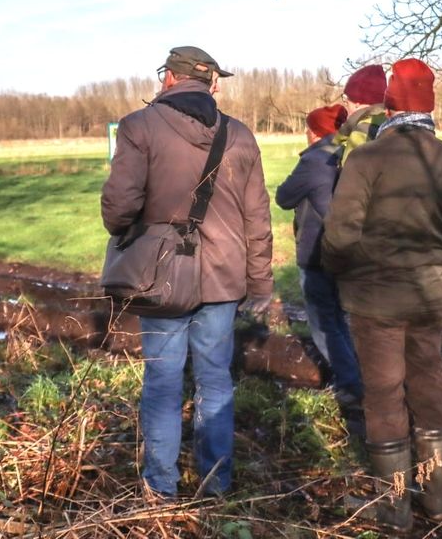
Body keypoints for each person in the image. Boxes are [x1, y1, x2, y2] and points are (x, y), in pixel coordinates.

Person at [100, 45, 274, 499]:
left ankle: (160, 487)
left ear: (168, 78)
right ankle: (217, 483)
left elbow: (118, 209)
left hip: (160, 278)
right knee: (215, 379)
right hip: (223, 277)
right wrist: (260, 283)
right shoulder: (240, 135)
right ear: (212, 83)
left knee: (162, 379)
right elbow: (258, 216)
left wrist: (134, 228)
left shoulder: (139, 127)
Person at [322, 58, 442, 526]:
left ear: (390, 106)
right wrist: (431, 261)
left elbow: (339, 235)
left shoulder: (367, 158)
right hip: (428, 294)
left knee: (385, 395)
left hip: (376, 299)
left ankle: (395, 508)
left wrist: (344, 271)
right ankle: (436, 499)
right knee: (428, 387)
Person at [275, 104, 364, 423]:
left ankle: (350, 385)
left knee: (324, 322)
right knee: (338, 317)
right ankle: (354, 373)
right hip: (347, 252)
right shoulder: (351, 156)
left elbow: (284, 197)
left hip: (316, 251)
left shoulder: (314, 160)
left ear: (313, 131)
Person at [333, 63, 388, 161]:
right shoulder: (392, 125)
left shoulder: (360, 134)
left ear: (357, 103)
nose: (346, 108)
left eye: (346, 102)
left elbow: (349, 175)